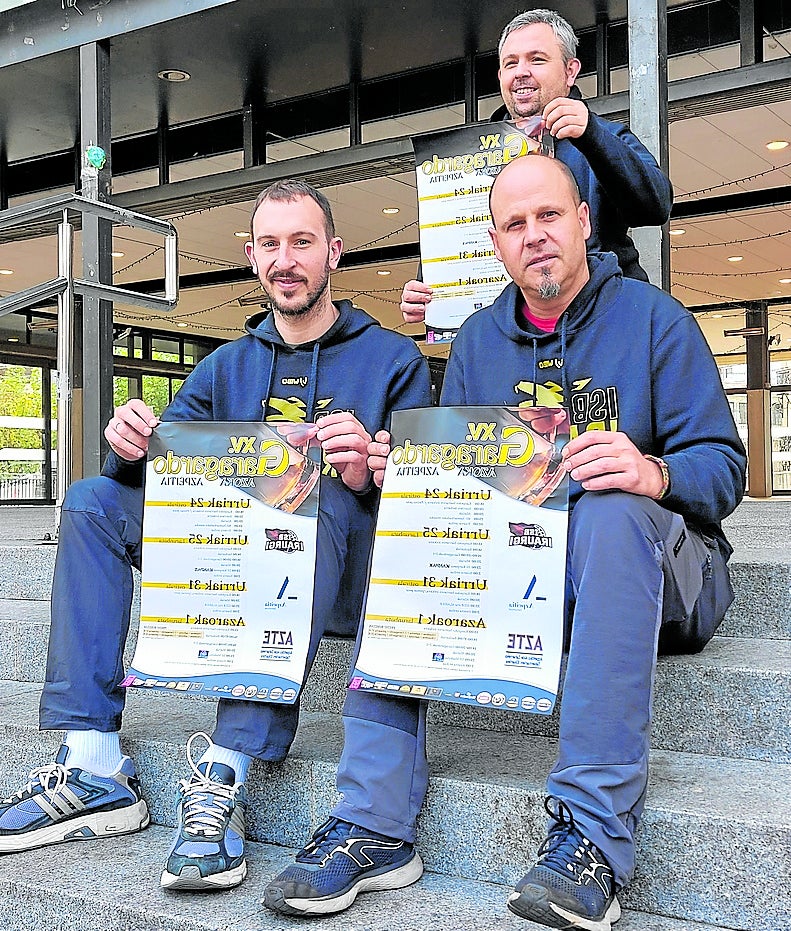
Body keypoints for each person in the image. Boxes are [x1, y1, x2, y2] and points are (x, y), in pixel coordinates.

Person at [0, 180, 430, 903]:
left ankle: (223, 771)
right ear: (251, 256)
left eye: (300, 242)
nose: (284, 260)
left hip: (350, 578)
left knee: (309, 490)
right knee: (92, 501)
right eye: (269, 244)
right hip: (233, 567)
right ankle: (93, 761)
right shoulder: (225, 367)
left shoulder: (394, 360)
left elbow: (429, 507)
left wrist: (366, 475)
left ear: (333, 251)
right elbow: (165, 468)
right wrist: (129, 446)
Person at [359, 155, 745, 929]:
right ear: (496, 245)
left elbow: (724, 467)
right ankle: (368, 818)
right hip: (529, 581)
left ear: (582, 223)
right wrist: (406, 472)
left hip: (668, 574)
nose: (534, 236)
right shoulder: (474, 341)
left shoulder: (653, 318)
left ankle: (592, 834)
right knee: (401, 525)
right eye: (514, 225)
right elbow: (464, 485)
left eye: (548, 216)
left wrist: (653, 471)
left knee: (608, 507)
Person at [401, 8, 673, 324]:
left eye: (537, 59)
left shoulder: (604, 137)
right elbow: (460, 247)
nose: (521, 72)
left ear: (571, 71)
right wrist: (426, 292)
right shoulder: (471, 158)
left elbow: (655, 207)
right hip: (511, 335)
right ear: (500, 75)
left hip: (606, 324)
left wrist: (592, 136)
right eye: (510, 63)